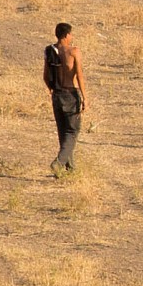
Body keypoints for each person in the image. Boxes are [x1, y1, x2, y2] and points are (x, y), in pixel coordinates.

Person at [44, 22, 86, 177]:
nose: (72, 37)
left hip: (56, 95)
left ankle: (70, 168)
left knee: (63, 132)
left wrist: (52, 90)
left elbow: (45, 76)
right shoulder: (73, 51)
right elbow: (79, 75)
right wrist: (85, 97)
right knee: (72, 131)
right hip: (70, 94)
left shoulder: (50, 51)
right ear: (66, 35)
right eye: (71, 34)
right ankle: (58, 163)